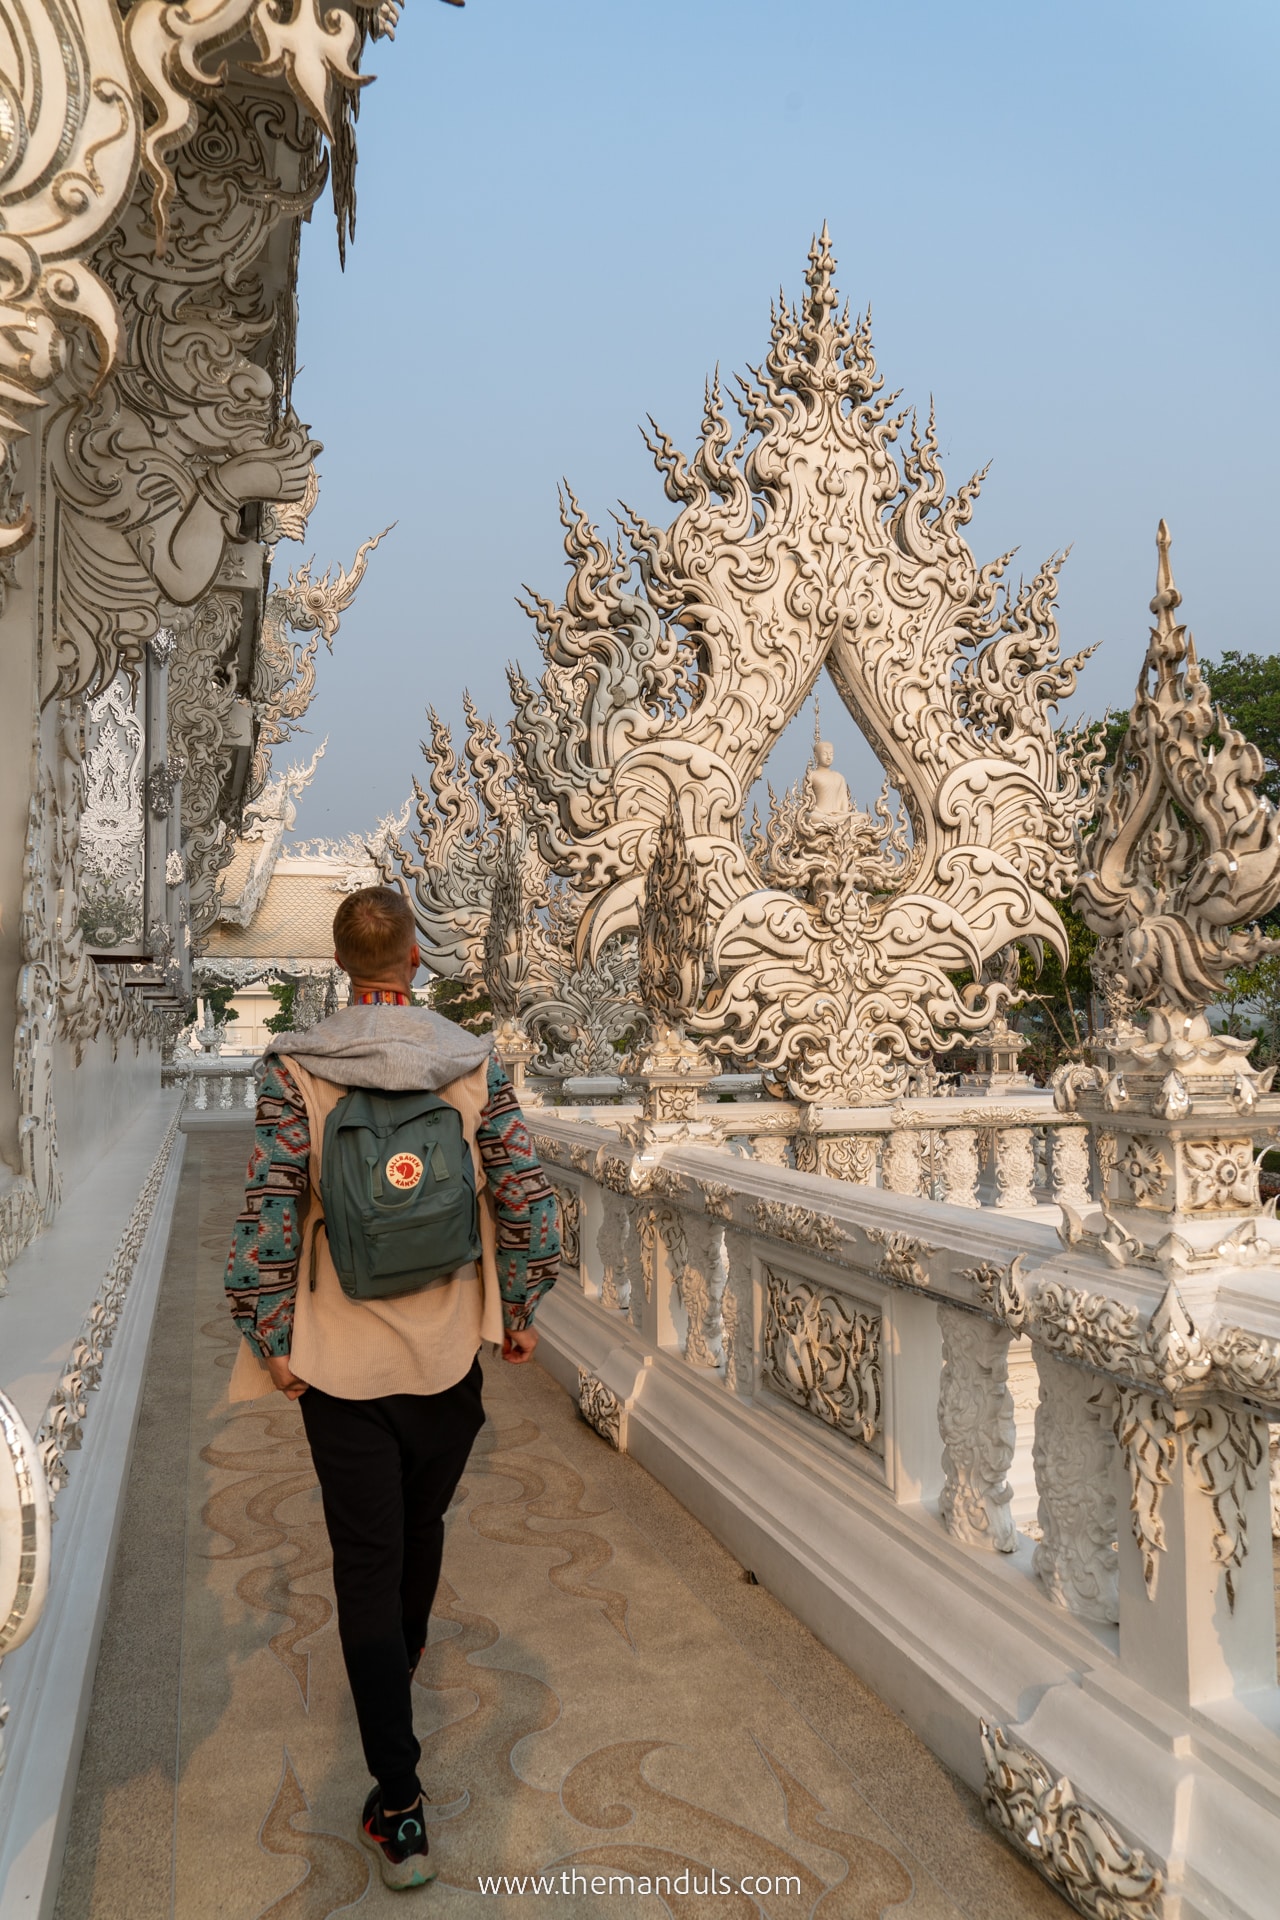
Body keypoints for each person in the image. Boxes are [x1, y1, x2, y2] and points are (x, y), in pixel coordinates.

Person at [224, 886, 560, 1890]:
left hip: (337, 1355)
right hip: (447, 1345)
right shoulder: (469, 1061)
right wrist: (522, 1310)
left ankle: (398, 1805)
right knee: (420, 1534)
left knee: (365, 1560)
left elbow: (272, 1202)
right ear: (416, 959)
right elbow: (522, 1191)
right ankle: (395, 1682)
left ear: (341, 966)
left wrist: (269, 1331)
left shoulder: (297, 1065)